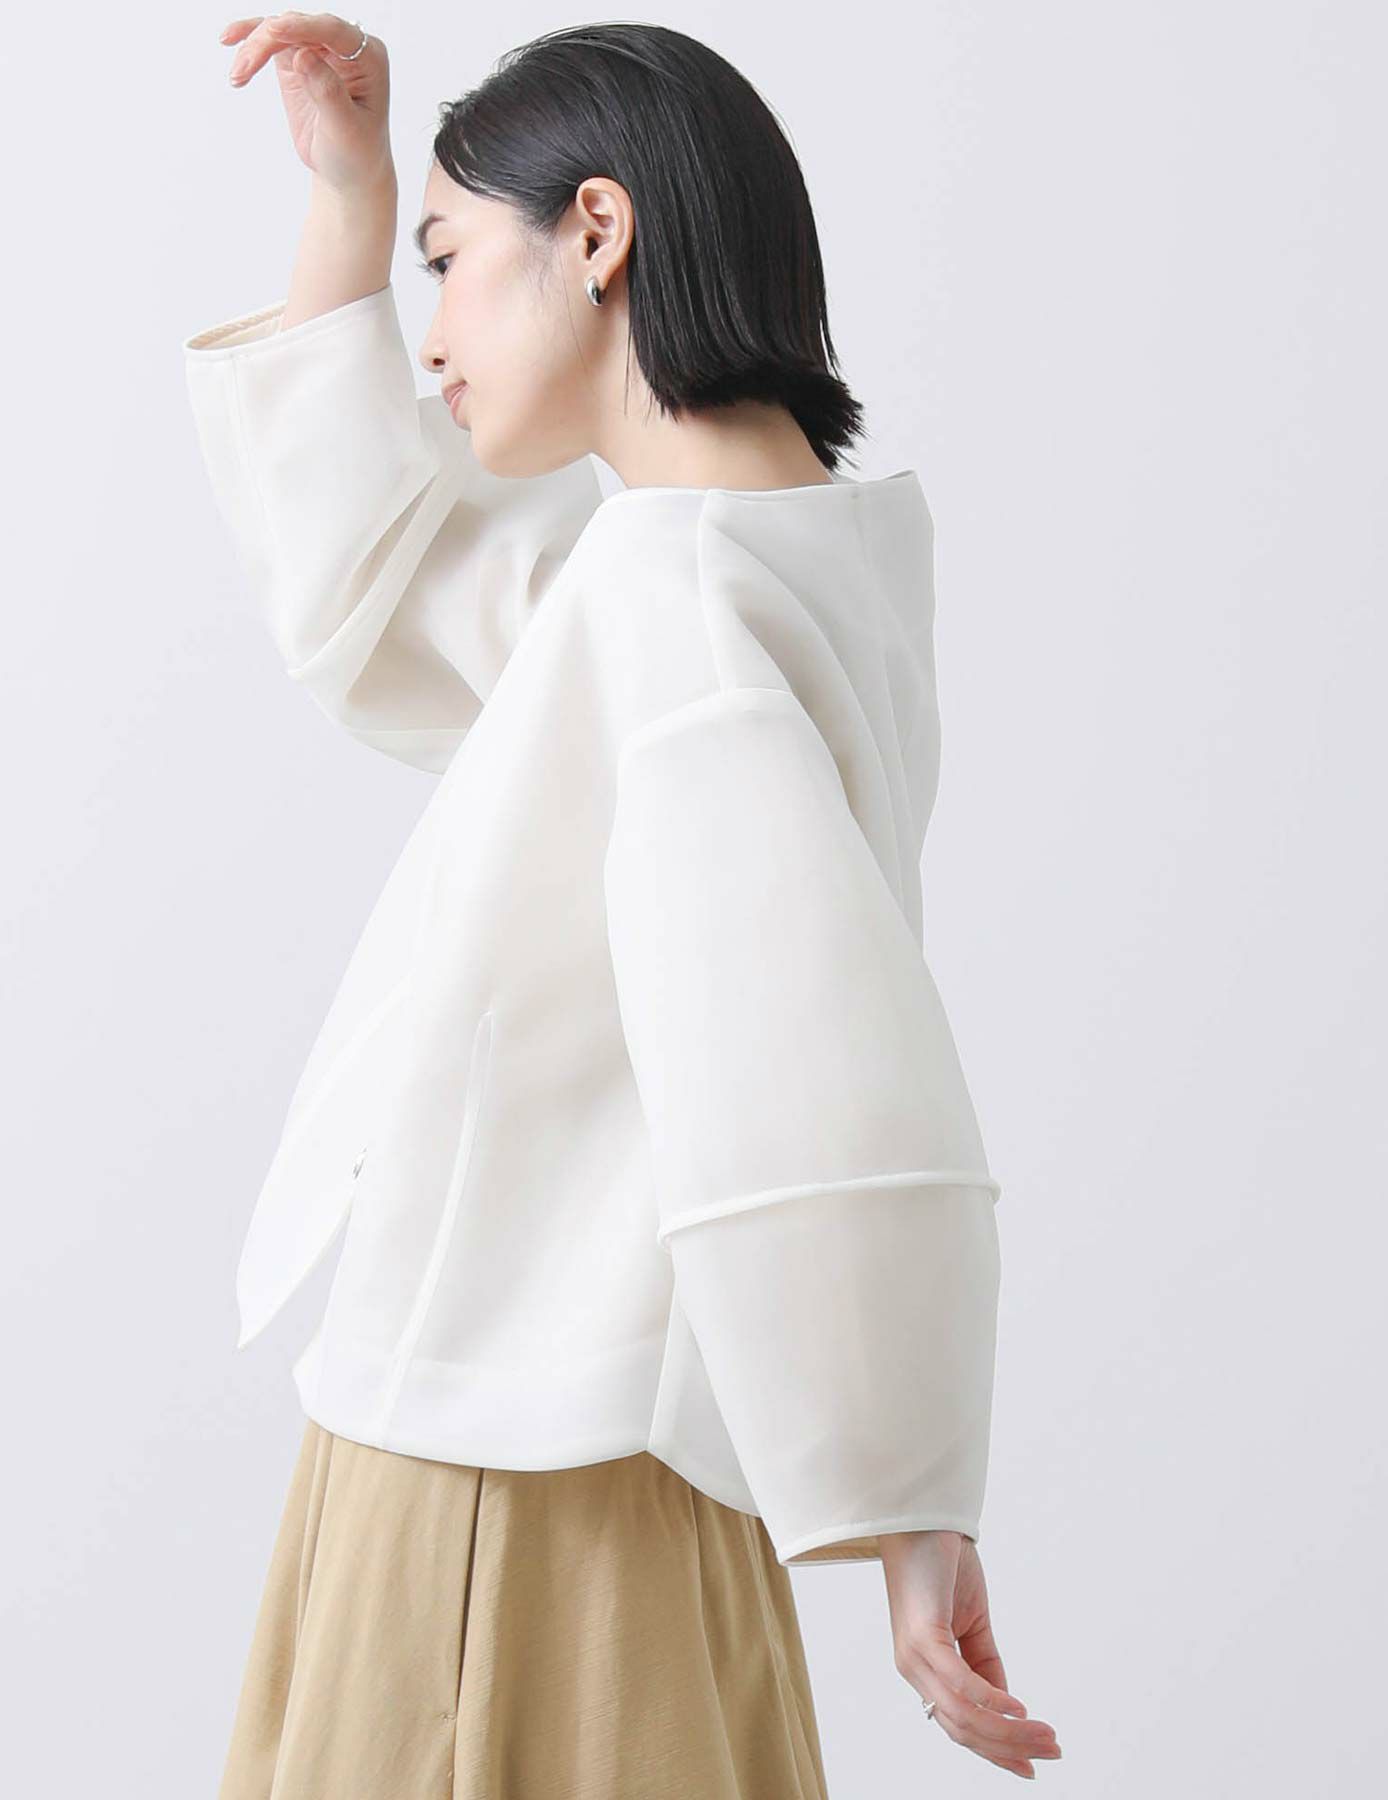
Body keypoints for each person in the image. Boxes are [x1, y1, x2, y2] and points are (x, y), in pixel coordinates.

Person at [183, 13, 1062, 1795]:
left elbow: (809, 1063)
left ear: (596, 232)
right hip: (648, 1468)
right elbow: (397, 595)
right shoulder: (776, 562)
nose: (432, 338)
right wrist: (352, 206)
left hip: (497, 1490)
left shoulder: (671, 602)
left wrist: (913, 1510)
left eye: (446, 263)